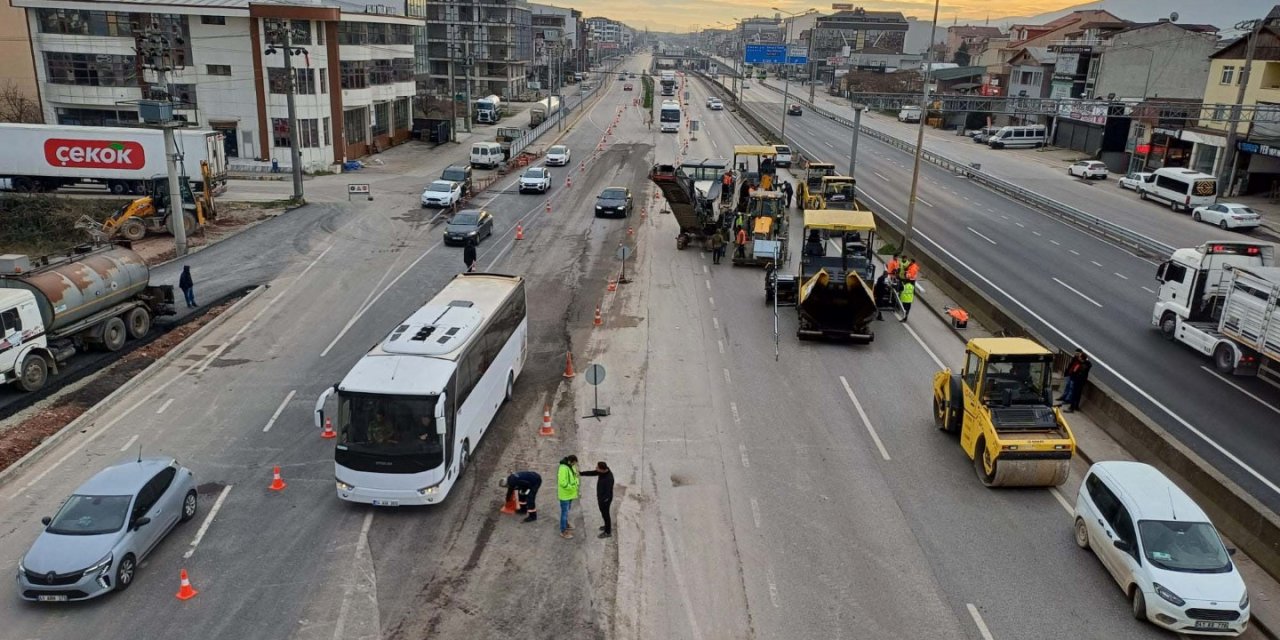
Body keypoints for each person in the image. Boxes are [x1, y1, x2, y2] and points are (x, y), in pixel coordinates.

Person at [578, 461, 615, 538]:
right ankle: (607, 526)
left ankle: (608, 532)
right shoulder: (603, 472)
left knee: (606, 515)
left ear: (602, 469)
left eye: (597, 468)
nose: (596, 468)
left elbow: (607, 493)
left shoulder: (609, 479)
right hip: (602, 498)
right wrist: (581, 473)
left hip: (605, 500)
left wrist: (602, 500)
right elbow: (592, 473)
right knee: (604, 514)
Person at [557, 455, 580, 539]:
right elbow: (563, 483)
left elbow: (575, 476)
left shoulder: (570, 466)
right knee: (564, 513)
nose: (575, 465)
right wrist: (572, 487)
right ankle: (563, 531)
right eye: (574, 463)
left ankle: (565, 524)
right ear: (571, 461)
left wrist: (576, 483)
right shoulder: (563, 468)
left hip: (570, 494)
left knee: (567, 511)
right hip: (565, 495)